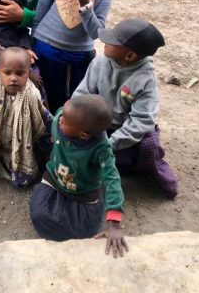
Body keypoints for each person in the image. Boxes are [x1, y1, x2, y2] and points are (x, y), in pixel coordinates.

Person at [73, 19, 178, 198]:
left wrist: (110, 143)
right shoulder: (100, 62)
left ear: (129, 56)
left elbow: (142, 120)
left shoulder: (145, 79)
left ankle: (143, 171)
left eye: (113, 41)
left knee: (148, 146)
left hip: (125, 128)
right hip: (100, 121)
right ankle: (109, 162)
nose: (105, 42)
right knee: (78, 136)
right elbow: (82, 94)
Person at [30, 95, 129, 258]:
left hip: (83, 192)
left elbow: (113, 181)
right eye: (62, 116)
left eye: (65, 121)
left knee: (83, 229)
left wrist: (114, 224)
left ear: (83, 135)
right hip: (55, 180)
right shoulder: (61, 120)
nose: (59, 119)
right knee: (39, 213)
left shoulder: (101, 150)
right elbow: (56, 115)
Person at [0, 47, 52, 187]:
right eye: (7, 73)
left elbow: (42, 121)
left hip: (21, 140)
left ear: (28, 73)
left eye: (20, 73)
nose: (13, 78)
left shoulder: (32, 94)